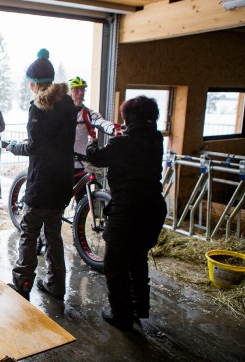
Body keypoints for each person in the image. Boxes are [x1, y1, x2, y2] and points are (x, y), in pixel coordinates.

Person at [86, 95, 167, 330]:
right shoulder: (156, 138)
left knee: (115, 263)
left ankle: (121, 313)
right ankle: (139, 306)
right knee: (137, 256)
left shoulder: (123, 142)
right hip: (153, 208)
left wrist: (92, 140)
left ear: (130, 118)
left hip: (128, 209)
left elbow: (96, 157)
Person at [6, 49, 76, 301]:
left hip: (42, 182)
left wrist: (13, 147)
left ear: (35, 83)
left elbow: (36, 147)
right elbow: (53, 141)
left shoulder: (38, 108)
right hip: (62, 181)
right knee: (53, 234)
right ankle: (57, 285)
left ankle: (22, 283)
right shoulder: (68, 104)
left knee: (29, 231)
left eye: (29, 82)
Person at [69, 76, 119, 201]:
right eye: (76, 90)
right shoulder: (61, 113)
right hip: (65, 162)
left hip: (83, 161)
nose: (80, 93)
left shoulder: (88, 114)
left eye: (82, 90)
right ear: (69, 92)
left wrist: (114, 129)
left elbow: (102, 122)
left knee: (97, 174)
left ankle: (87, 209)